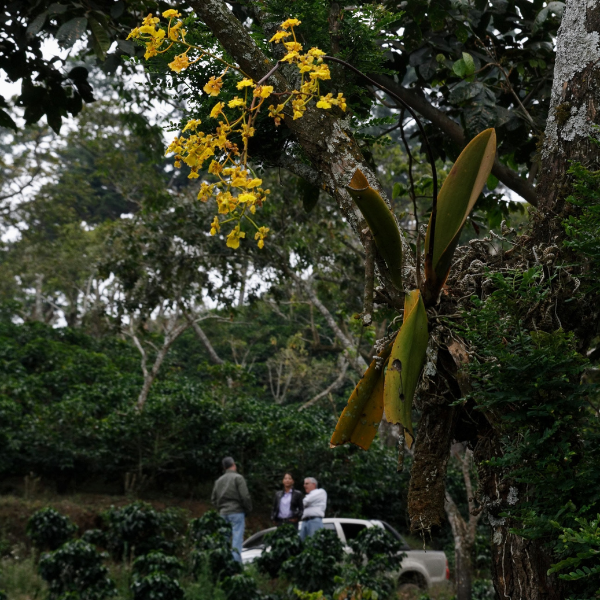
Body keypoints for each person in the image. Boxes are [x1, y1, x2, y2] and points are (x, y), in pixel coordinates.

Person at [211, 457, 252, 563]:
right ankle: (235, 566)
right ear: (234, 464)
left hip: (223, 513)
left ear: (224, 467)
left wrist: (220, 508)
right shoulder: (238, 478)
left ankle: (223, 563)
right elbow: (245, 496)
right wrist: (247, 509)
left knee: (224, 540)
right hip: (237, 512)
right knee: (237, 540)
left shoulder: (218, 481)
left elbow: (213, 499)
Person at [299, 476, 327, 541]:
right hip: (305, 521)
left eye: (306, 483)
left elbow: (305, 502)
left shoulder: (320, 491)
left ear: (313, 484)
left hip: (314, 520)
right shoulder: (308, 495)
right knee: (302, 544)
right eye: (304, 484)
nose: (304, 485)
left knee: (314, 543)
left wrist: (302, 504)